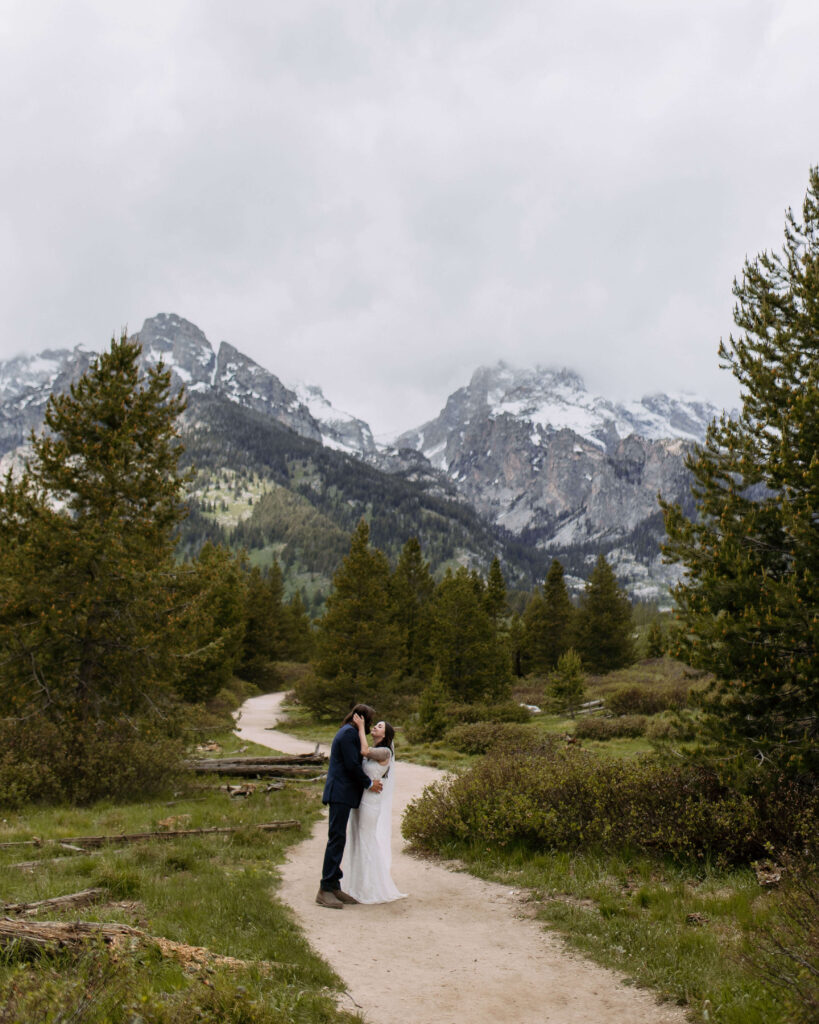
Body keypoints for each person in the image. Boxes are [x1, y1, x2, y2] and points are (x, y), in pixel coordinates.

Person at [316, 703, 383, 909]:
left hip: (344, 793)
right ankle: (325, 889)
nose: (370, 724)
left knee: (339, 838)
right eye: (369, 720)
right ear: (360, 718)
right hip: (340, 792)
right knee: (336, 838)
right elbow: (351, 765)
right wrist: (369, 783)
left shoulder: (351, 733)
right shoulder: (347, 734)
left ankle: (334, 885)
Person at [341, 713, 407, 904]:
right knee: (356, 838)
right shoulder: (376, 749)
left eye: (380, 726)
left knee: (366, 839)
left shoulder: (385, 752)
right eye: (375, 725)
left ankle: (372, 887)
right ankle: (355, 885)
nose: (375, 728)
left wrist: (361, 727)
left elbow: (364, 751)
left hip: (370, 802)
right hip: (359, 800)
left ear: (385, 735)